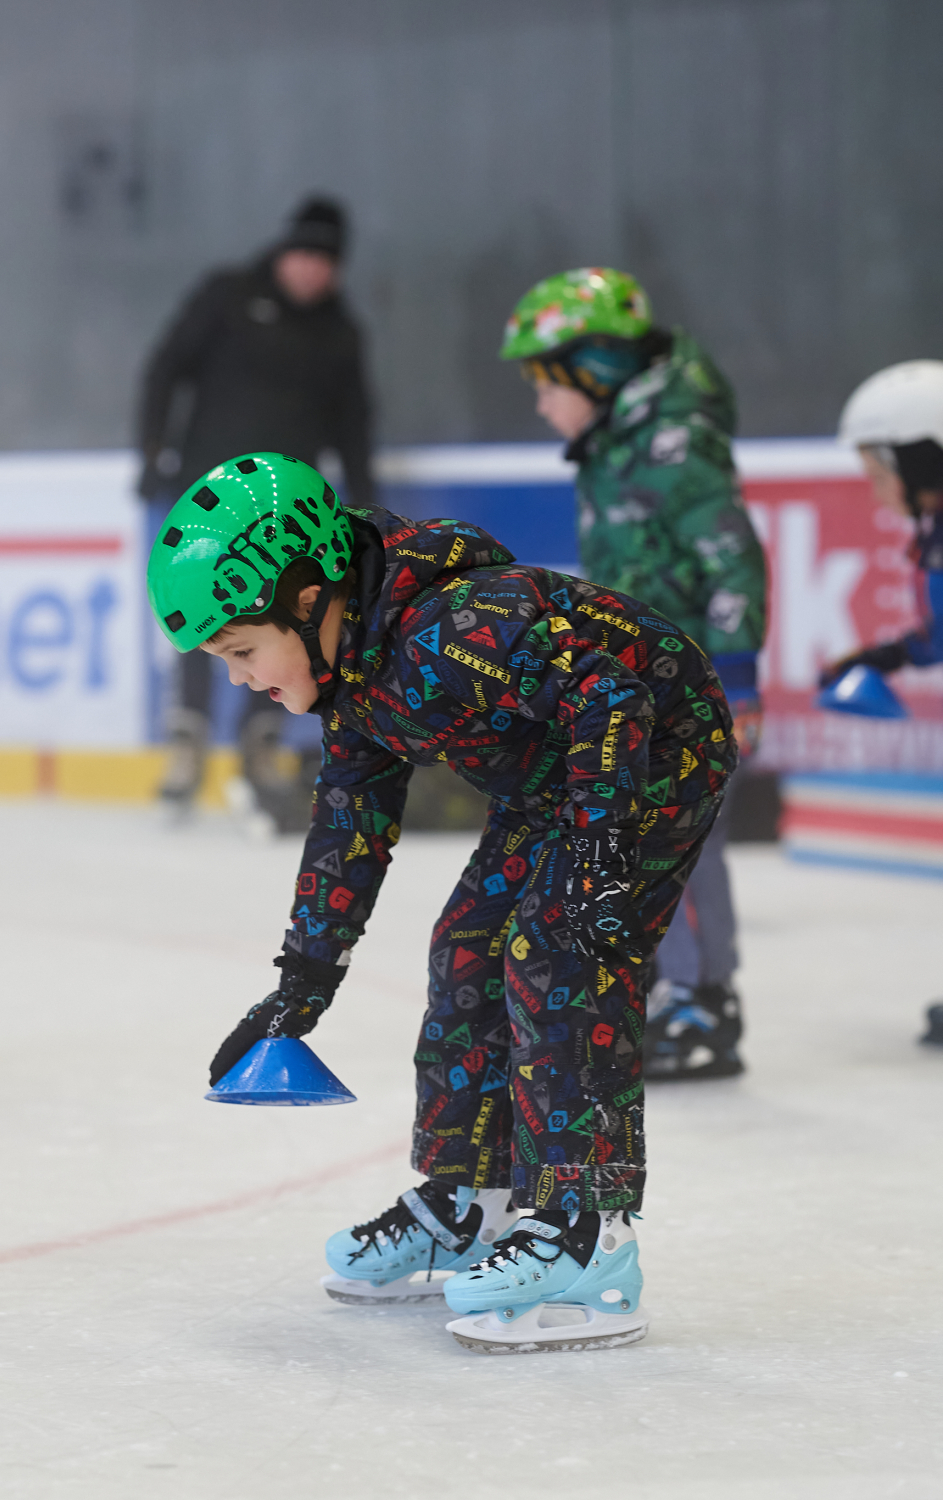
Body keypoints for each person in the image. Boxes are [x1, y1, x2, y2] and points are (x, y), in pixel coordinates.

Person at [146, 451, 737, 1353]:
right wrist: (301, 983)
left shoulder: (454, 627)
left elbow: (612, 694)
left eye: (241, 651)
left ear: (307, 599)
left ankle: (589, 1232)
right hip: (557, 780)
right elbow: (349, 825)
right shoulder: (355, 677)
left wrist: (600, 858)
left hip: (660, 751)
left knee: (559, 953)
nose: (237, 680)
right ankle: (472, 1203)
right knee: (467, 945)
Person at [500, 267, 767, 1080]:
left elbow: (733, 559)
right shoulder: (615, 446)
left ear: (597, 369)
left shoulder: (671, 444)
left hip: (693, 689)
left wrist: (738, 679)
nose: (540, 405)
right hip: (645, 682)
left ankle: (702, 1002)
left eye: (547, 385)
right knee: (648, 835)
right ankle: (671, 989)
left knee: (680, 839)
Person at [136, 196, 375, 812]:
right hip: (204, 499)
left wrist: (367, 499)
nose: (311, 270)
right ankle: (187, 738)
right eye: (304, 255)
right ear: (284, 251)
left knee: (277, 622)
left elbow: (354, 423)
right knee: (200, 611)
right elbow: (165, 367)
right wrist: (152, 450)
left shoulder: (340, 332)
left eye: (325, 261)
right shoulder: (229, 295)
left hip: (278, 513)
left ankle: (258, 742)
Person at [826, 360, 943, 1049]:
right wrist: (883, 656)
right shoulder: (935, 531)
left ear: (923, 456)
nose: (874, 488)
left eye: (880, 471)